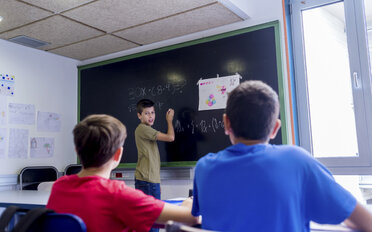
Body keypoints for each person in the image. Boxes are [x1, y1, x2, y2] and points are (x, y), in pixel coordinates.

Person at [191, 80, 372, 232]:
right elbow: (364, 221)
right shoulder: (296, 161)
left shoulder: (204, 167)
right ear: (275, 128)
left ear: (226, 122)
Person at [46, 114, 198, 232]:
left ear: (77, 152)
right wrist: (188, 202)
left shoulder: (59, 187)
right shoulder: (118, 196)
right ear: (118, 154)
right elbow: (192, 218)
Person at [134, 99, 174, 202]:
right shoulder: (143, 129)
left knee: (151, 215)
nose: (151, 116)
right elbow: (170, 137)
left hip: (150, 181)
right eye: (146, 113)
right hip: (147, 181)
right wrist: (169, 120)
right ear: (139, 115)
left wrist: (157, 182)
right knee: (153, 216)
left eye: (152, 112)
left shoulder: (147, 129)